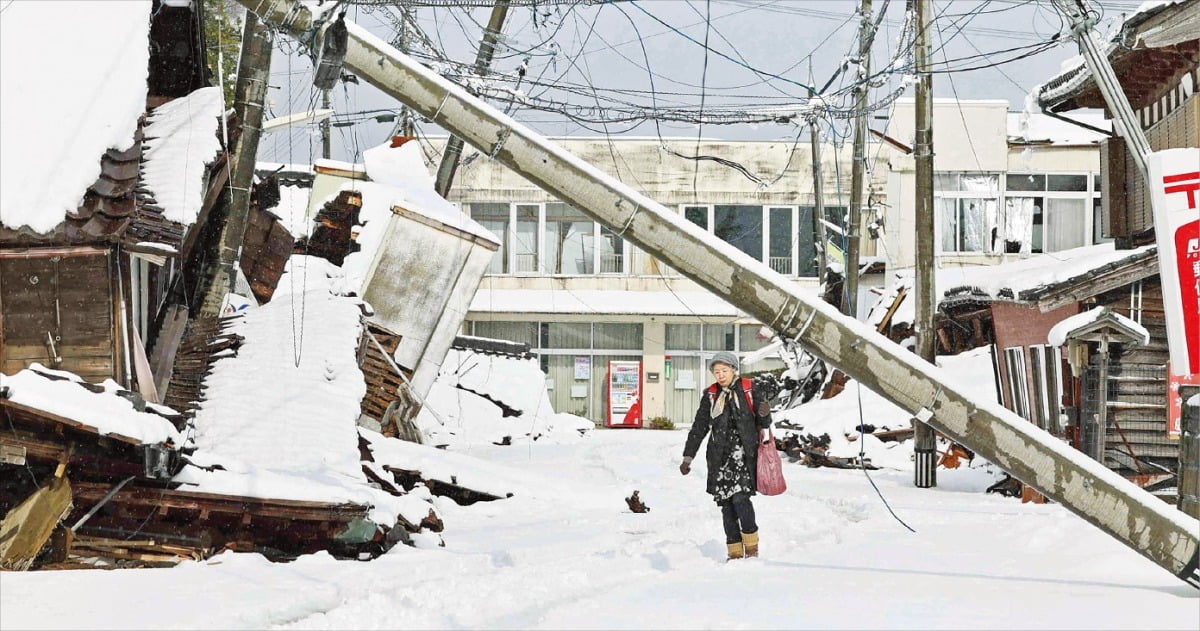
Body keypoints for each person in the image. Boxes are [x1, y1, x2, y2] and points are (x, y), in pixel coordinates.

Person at [679, 351, 772, 560]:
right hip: (719, 459)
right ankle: (735, 552)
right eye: (716, 371)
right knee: (726, 506)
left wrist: (765, 414)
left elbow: (762, 424)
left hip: (744, 457)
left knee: (741, 500)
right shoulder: (711, 394)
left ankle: (752, 548)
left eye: (724, 370)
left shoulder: (749, 389)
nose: (720, 375)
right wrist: (688, 457)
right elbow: (699, 427)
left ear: (733, 370)